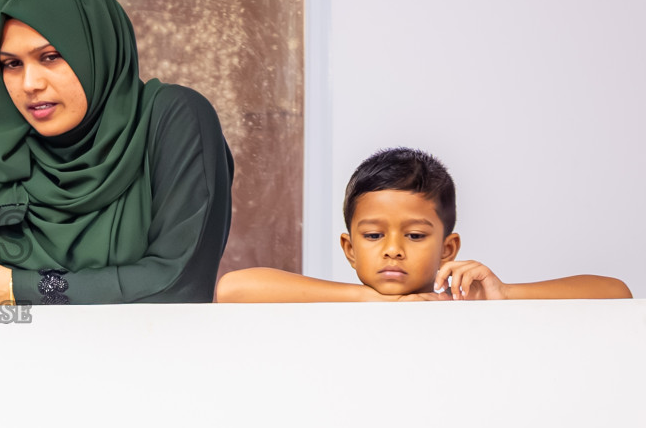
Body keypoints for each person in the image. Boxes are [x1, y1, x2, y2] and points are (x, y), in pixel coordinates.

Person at [0, 0, 233, 305]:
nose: (30, 84)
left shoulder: (172, 119)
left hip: (146, 355)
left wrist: (16, 287)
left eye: (50, 57)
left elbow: (178, 283)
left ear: (95, 47)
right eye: (11, 64)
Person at [216, 147, 633, 301]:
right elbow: (232, 288)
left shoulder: (470, 305)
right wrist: (377, 301)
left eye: (415, 235)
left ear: (448, 249)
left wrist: (503, 294)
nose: (393, 248)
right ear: (349, 248)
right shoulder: (339, 304)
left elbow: (615, 292)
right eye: (374, 235)